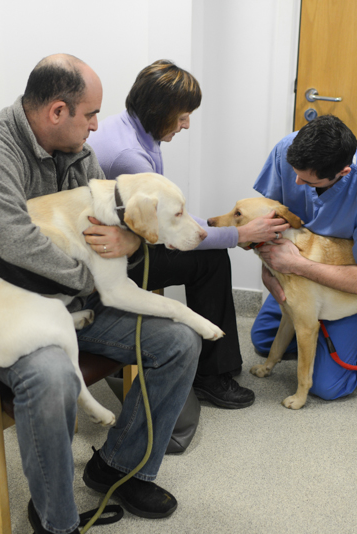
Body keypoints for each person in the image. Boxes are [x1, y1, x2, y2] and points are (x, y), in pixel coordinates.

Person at [0, 54, 198, 534]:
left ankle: (118, 467)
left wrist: (130, 242)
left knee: (179, 342)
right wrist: (99, 279)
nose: (98, 125)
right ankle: (55, 519)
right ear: (57, 111)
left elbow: (109, 231)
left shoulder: (79, 154)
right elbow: (14, 248)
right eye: (90, 114)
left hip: (64, 301)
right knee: (50, 377)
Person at [87, 60, 289, 409]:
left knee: (208, 246)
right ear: (157, 109)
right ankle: (211, 377)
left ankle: (215, 364)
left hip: (122, 239)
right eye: (182, 116)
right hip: (112, 258)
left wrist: (217, 229)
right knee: (210, 258)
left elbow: (170, 215)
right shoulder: (130, 155)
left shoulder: (131, 129)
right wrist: (239, 234)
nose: (187, 124)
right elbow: (166, 232)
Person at [250, 114, 357, 400]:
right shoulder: (287, 150)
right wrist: (268, 269)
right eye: (294, 171)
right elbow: (267, 220)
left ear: (343, 173)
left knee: (328, 385)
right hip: (300, 276)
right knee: (263, 341)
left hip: (348, 282)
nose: (295, 181)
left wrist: (297, 265)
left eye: (307, 180)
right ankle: (326, 331)